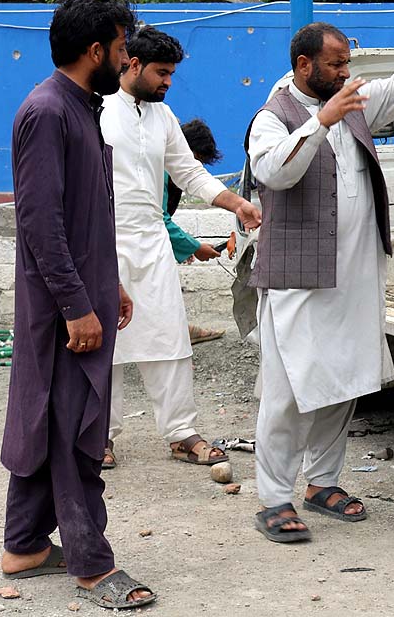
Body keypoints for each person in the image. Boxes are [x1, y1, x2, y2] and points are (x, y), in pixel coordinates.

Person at [246, 2, 394, 542]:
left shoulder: (352, 104)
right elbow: (274, 173)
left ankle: (322, 482)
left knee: (343, 382)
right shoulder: (271, 117)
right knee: (288, 392)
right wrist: (320, 121)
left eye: (347, 63)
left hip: (354, 278)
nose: (345, 73)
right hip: (298, 281)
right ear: (304, 65)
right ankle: (274, 498)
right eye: (335, 65)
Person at [1, 0, 156, 609]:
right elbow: (40, 223)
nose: (126, 59)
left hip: (83, 296)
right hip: (61, 312)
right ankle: (92, 565)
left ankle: (24, 546)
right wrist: (75, 305)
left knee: (51, 421)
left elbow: (87, 213)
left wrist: (106, 282)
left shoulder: (81, 108)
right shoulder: (48, 111)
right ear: (96, 50)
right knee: (74, 429)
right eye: (121, 48)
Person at [100, 26, 261, 470]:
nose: (168, 82)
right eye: (162, 73)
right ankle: (99, 437)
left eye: (171, 73)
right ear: (134, 65)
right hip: (103, 241)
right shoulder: (98, 109)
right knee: (106, 346)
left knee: (169, 338)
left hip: (152, 241)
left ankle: (181, 432)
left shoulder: (163, 117)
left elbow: (188, 172)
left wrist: (236, 203)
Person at [167, 118, 227, 345]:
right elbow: (157, 219)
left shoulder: (171, 174)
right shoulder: (162, 170)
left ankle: (178, 330)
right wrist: (192, 247)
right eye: (196, 161)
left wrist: (182, 246)